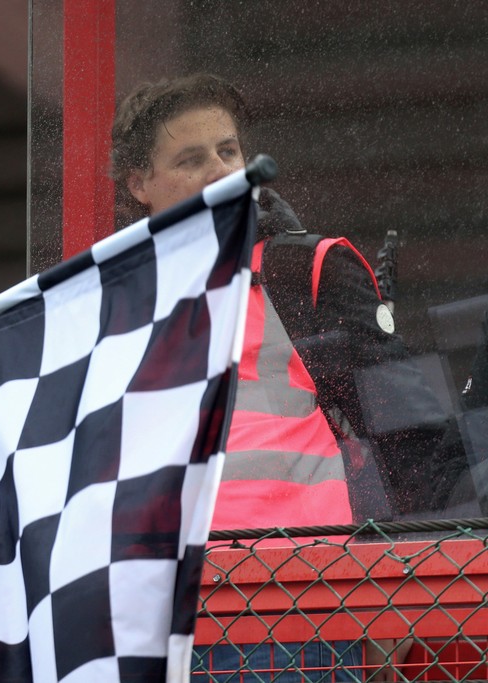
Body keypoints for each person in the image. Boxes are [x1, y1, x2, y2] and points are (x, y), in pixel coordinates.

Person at [109, 72, 472, 682]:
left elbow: (415, 441)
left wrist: (401, 596)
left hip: (296, 604)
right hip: (146, 615)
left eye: (228, 150)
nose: (220, 170)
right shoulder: (107, 301)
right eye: (191, 159)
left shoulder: (305, 270)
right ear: (138, 184)